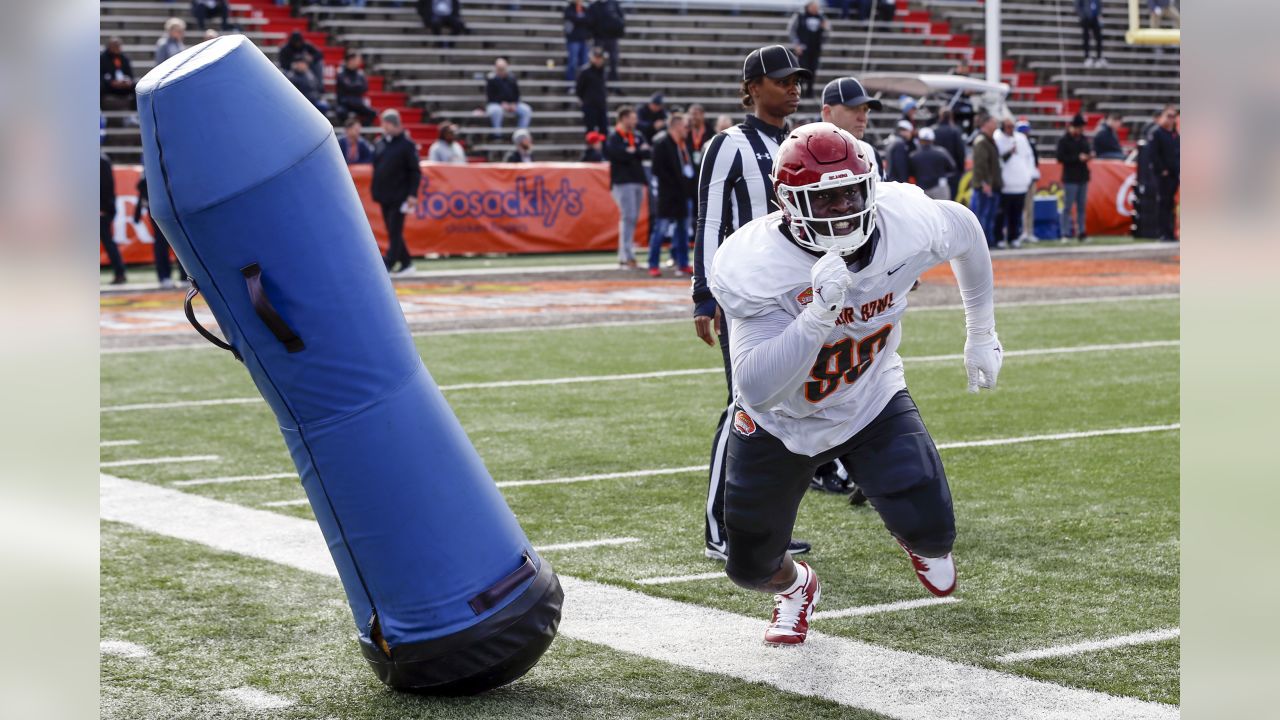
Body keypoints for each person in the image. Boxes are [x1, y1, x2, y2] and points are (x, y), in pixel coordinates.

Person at [707, 122, 1000, 646]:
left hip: (870, 397)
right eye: (826, 197)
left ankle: (911, 533)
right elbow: (755, 389)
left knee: (935, 536)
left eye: (851, 192)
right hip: (780, 422)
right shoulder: (754, 263)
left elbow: (967, 231)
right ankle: (796, 589)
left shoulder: (905, 219)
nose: (844, 207)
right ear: (788, 202)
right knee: (749, 568)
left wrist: (981, 332)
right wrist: (819, 314)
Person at [693, 44, 813, 563]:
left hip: (796, 298)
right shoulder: (730, 144)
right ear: (752, 86)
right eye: (782, 79)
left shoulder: (800, 144)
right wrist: (705, 293)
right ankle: (723, 529)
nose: (793, 87)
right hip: (746, 297)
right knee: (744, 405)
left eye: (797, 80)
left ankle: (766, 529)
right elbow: (710, 220)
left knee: (788, 411)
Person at [371, 109, 422, 274]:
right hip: (384, 195)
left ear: (393, 124)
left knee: (394, 229)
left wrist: (412, 194)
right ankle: (407, 263)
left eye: (386, 123)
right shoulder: (381, 143)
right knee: (393, 230)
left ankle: (389, 261)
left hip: (400, 195)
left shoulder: (407, 145)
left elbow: (415, 171)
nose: (383, 127)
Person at [648, 112, 693, 277]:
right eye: (684, 125)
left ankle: (682, 263)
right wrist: (676, 182)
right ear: (676, 126)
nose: (687, 129)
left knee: (682, 231)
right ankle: (653, 264)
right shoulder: (662, 143)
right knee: (660, 229)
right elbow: (657, 169)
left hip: (682, 194)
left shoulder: (682, 144)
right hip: (667, 194)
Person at [604, 105, 650, 269]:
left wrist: (633, 151)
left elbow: (646, 152)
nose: (635, 120)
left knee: (632, 218)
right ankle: (625, 255)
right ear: (623, 118)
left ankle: (627, 252)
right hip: (622, 181)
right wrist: (634, 152)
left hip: (637, 179)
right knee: (628, 216)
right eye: (632, 117)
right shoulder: (614, 136)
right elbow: (617, 155)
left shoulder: (636, 135)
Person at [819, 76, 883, 180]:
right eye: (853, 109)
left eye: (866, 110)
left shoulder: (869, 151)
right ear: (827, 112)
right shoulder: (803, 153)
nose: (863, 118)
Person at [134, 173, 187, 289]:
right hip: (160, 204)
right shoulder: (154, 162)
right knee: (163, 242)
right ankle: (164, 276)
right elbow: (142, 183)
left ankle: (183, 275)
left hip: (174, 204)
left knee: (180, 241)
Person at [995, 118, 1036, 248]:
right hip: (1005, 185)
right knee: (1001, 214)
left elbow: (1029, 157)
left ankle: (1014, 237)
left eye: (1012, 126)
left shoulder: (1021, 139)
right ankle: (1000, 238)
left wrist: (1029, 176)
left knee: (1017, 214)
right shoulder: (997, 138)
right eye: (1008, 127)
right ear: (1002, 127)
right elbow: (998, 161)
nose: (1011, 129)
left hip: (1021, 184)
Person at [1056, 113, 1092, 241]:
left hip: (1082, 177)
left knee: (1081, 207)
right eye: (1080, 127)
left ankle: (1081, 233)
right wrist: (1077, 158)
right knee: (1068, 206)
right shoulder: (1064, 140)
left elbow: (1088, 151)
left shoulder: (1083, 139)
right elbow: (1060, 157)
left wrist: (1089, 156)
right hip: (1070, 178)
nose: (1082, 129)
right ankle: (1065, 233)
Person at [969, 113, 1002, 248]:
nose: (996, 125)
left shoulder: (988, 140)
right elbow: (981, 165)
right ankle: (980, 246)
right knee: (983, 216)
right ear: (986, 124)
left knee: (988, 217)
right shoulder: (982, 141)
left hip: (989, 185)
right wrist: (985, 183)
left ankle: (987, 243)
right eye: (993, 122)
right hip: (985, 187)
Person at [1150, 105, 1179, 242]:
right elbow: (1153, 154)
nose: (1171, 119)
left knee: (1170, 204)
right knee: (1163, 202)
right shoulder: (1157, 133)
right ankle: (1162, 232)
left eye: (1174, 116)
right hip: (1163, 175)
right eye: (1169, 116)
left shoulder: (1174, 134)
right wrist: (1162, 170)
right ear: (1162, 117)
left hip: (1174, 174)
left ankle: (1170, 232)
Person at [787, 2, 828, 99]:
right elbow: (792, 30)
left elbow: (827, 31)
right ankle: (799, 90)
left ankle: (810, 92)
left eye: (816, 7)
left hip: (815, 48)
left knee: (813, 70)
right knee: (801, 70)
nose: (815, 9)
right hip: (803, 48)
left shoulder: (821, 17)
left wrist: (825, 30)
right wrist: (796, 44)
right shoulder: (800, 16)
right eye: (813, 7)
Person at [485, 57, 533, 139]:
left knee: (526, 110)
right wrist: (501, 103)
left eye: (503, 68)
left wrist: (514, 103)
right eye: (499, 69)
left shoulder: (512, 78)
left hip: (512, 104)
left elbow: (517, 94)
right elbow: (490, 97)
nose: (501, 70)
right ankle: (497, 135)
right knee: (496, 111)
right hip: (496, 104)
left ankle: (521, 135)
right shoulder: (491, 79)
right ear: (496, 68)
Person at [100, 152, 127, 285]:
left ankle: (120, 273)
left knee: (108, 242)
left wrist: (103, 207)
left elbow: (106, 186)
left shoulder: (101, 161)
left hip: (102, 209)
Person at [908, 127, 957, 201]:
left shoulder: (913, 155)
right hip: (939, 188)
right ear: (932, 139)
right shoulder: (941, 152)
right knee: (942, 211)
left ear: (919, 139)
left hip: (921, 190)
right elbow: (952, 168)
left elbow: (910, 173)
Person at [931, 108, 966, 200]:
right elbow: (960, 152)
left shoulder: (934, 130)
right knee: (952, 200)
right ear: (951, 117)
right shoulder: (955, 131)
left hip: (936, 172)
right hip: (953, 172)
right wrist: (961, 169)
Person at [336, 52, 378, 124]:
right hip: (345, 103)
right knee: (341, 112)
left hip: (357, 103)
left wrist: (353, 86)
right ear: (350, 60)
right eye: (357, 59)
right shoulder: (341, 72)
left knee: (373, 113)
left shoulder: (360, 73)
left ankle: (360, 129)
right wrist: (356, 86)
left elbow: (364, 88)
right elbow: (347, 87)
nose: (359, 62)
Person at [588, 0, 625, 81]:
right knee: (598, 61)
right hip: (599, 38)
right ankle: (598, 81)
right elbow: (590, 22)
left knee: (614, 60)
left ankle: (614, 84)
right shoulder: (594, 6)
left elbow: (621, 18)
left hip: (612, 38)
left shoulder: (613, 4)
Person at [1016, 119, 1040, 243]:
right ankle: (1020, 232)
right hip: (1018, 181)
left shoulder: (1030, 144)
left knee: (1029, 207)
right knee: (1020, 207)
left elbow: (1035, 162)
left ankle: (1028, 231)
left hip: (1029, 179)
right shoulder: (1015, 143)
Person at [575, 46, 609, 134]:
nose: (598, 60)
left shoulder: (603, 71)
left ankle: (604, 147)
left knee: (604, 130)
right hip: (589, 105)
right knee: (590, 131)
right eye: (596, 58)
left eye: (600, 58)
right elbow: (579, 89)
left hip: (601, 105)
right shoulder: (585, 72)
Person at [100, 38, 137, 112]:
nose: (117, 48)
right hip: (110, 86)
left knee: (137, 87)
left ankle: (134, 112)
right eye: (115, 46)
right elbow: (100, 75)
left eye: (118, 46)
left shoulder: (124, 58)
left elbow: (130, 75)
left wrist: (128, 81)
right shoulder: (102, 58)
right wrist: (111, 82)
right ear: (109, 46)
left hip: (124, 85)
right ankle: (100, 113)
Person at [563, 1, 592, 84]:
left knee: (584, 64)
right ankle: (570, 84)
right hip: (573, 40)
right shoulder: (569, 9)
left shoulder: (585, 9)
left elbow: (589, 20)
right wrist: (581, 19)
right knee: (573, 62)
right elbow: (571, 18)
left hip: (584, 40)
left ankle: (583, 84)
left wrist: (579, 19)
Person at [1076, 0, 1107, 67]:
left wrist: (1099, 14)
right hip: (1086, 18)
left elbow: (1099, 4)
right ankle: (1087, 57)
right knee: (1086, 38)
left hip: (1095, 17)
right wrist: (1082, 16)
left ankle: (1099, 57)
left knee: (1099, 38)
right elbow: (1078, 5)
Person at [883, 119, 915, 183]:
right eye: (910, 132)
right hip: (897, 182)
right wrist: (904, 182)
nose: (911, 135)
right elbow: (901, 165)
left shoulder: (892, 141)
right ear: (904, 131)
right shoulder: (900, 144)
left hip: (891, 180)